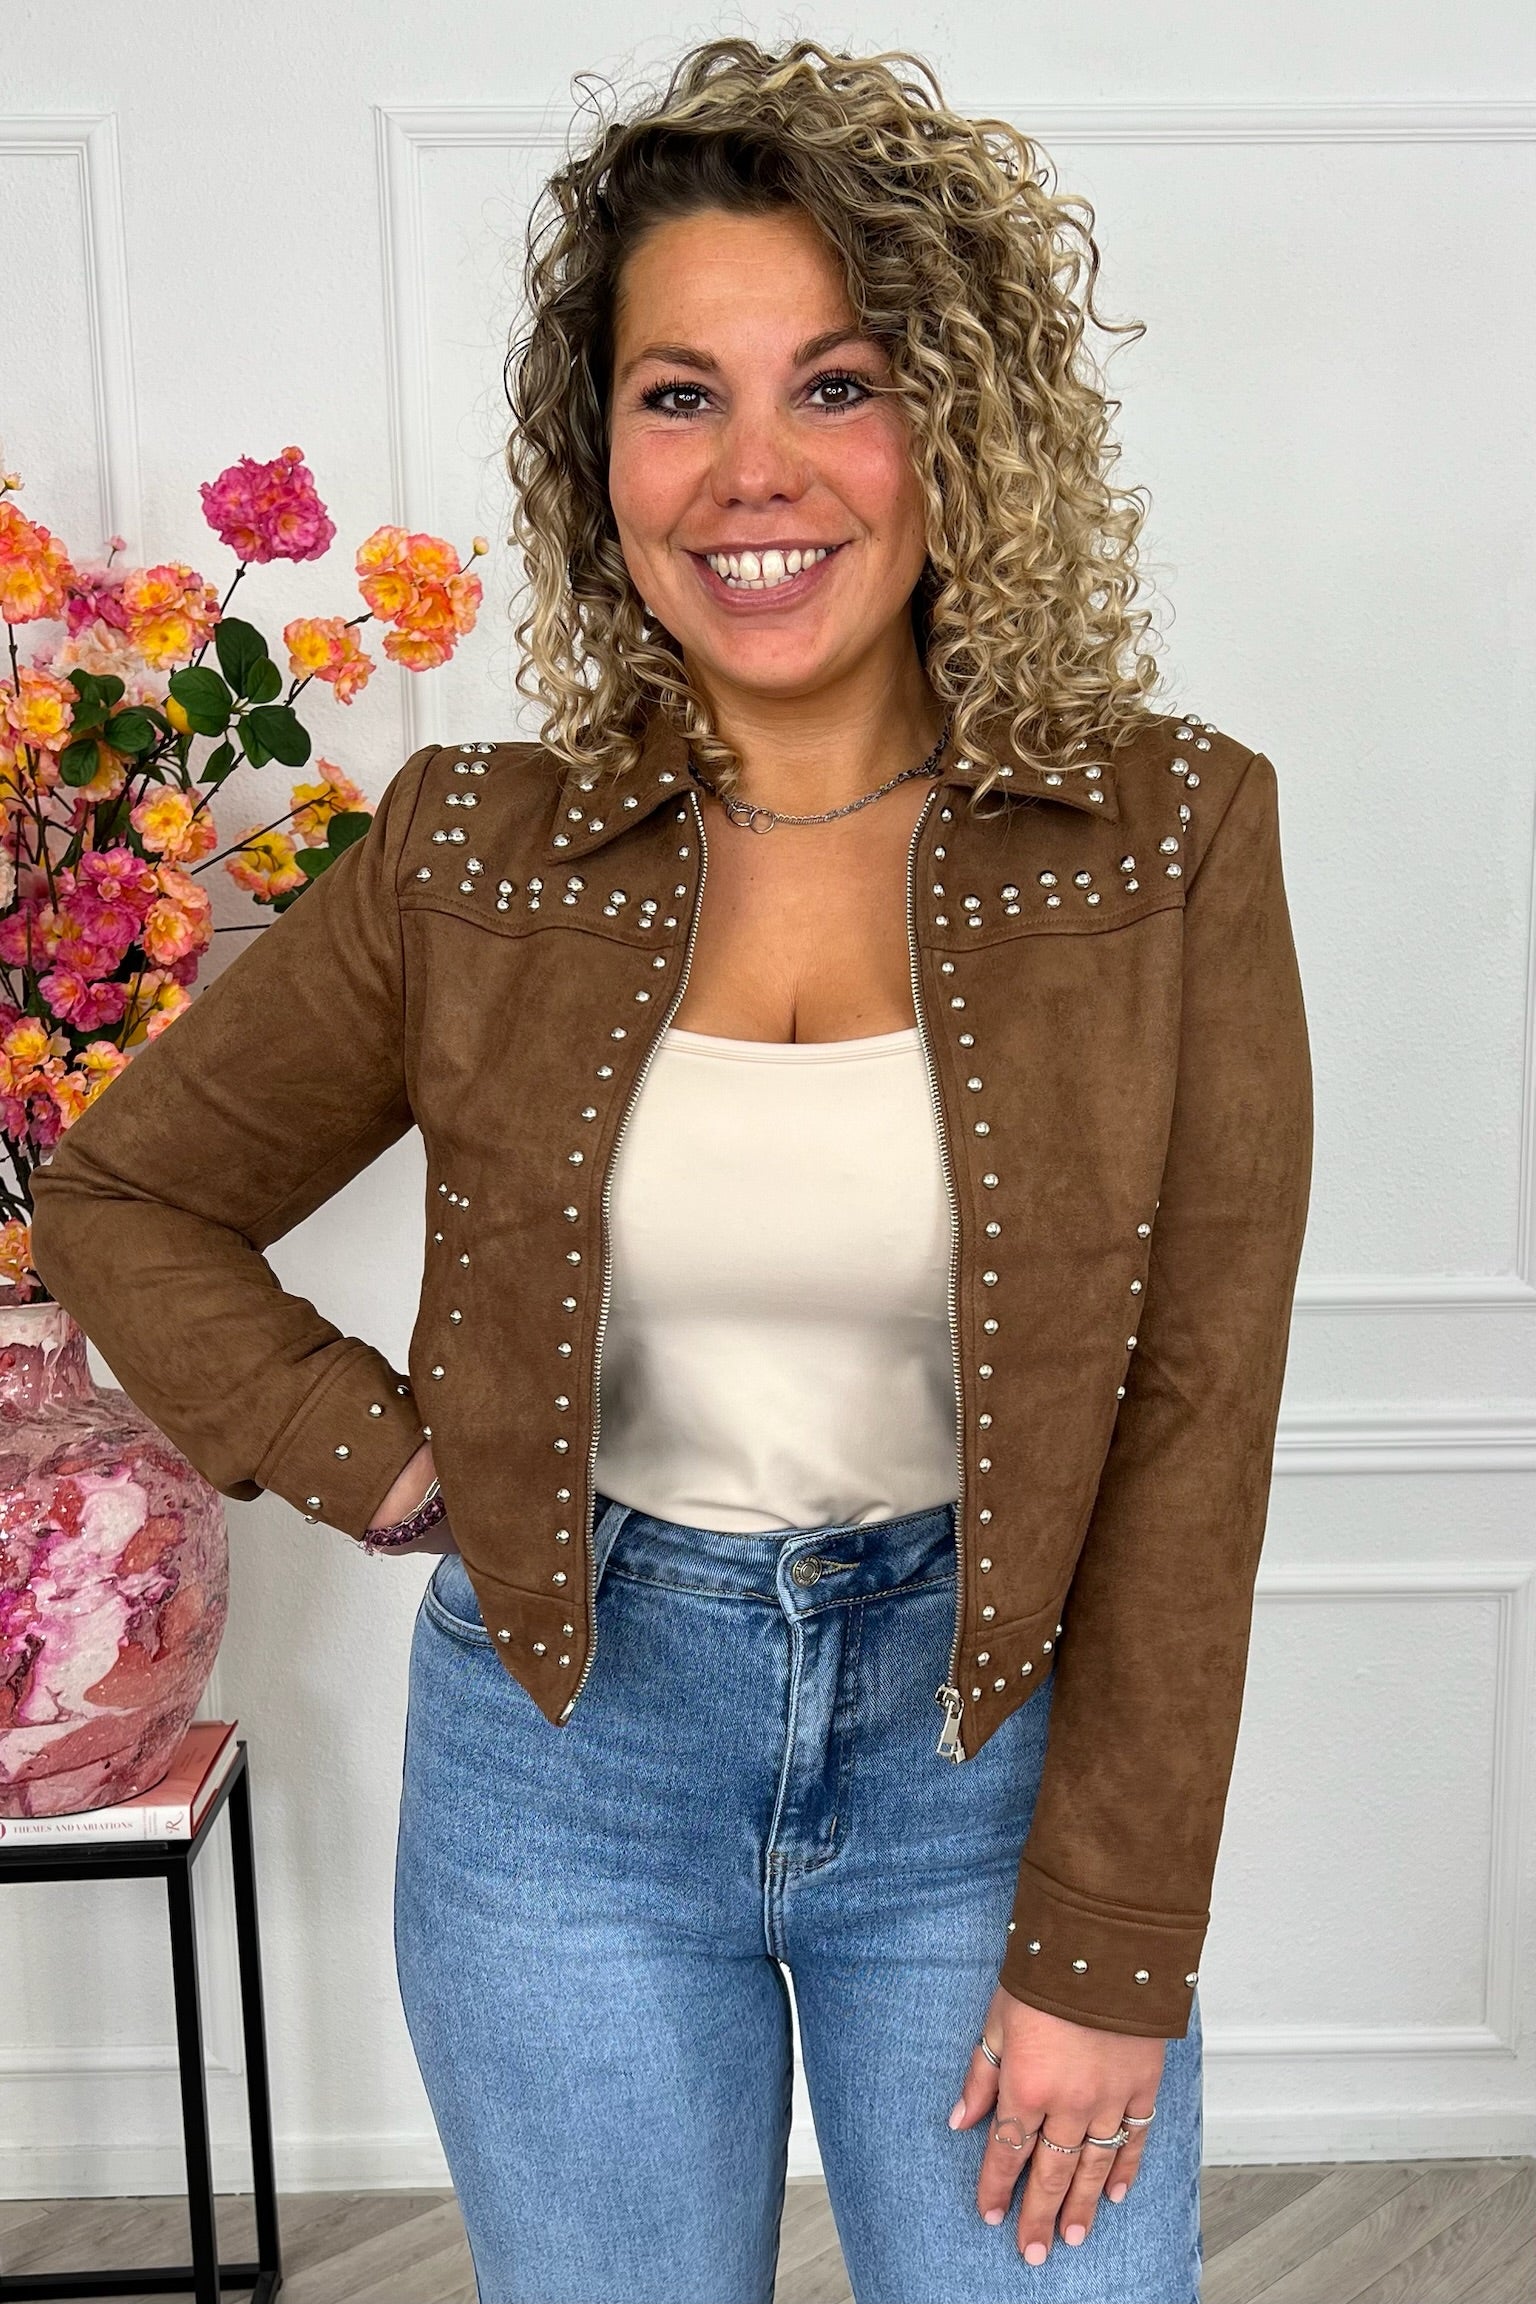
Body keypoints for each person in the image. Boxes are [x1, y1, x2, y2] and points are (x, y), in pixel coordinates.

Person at [28, 37, 1313, 2304]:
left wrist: (1112, 1941)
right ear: (594, 450)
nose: (752, 472)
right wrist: (380, 1457)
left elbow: (1194, 1417)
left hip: (993, 1770)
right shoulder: (474, 851)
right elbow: (124, 1195)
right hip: (566, 1771)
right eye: (677, 395)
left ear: (960, 433)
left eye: (839, 384)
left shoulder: (1161, 836)